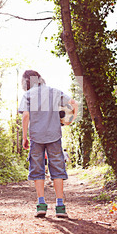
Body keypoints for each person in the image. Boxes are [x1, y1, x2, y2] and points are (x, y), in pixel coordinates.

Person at [18, 70, 78, 218]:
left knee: (37, 169)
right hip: (54, 136)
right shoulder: (54, 91)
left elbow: (26, 115)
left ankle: (41, 204)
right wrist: (69, 121)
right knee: (57, 169)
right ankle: (60, 206)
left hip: (36, 138)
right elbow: (74, 103)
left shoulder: (28, 95)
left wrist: (24, 137)